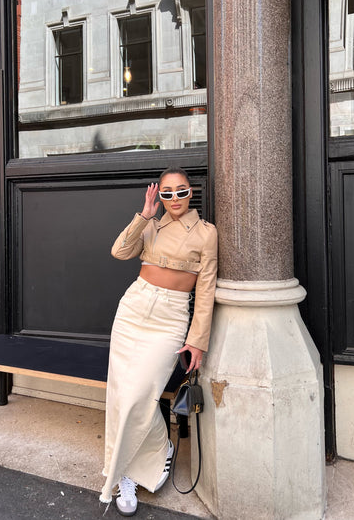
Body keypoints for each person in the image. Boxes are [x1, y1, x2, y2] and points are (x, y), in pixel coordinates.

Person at [100, 167, 218, 516]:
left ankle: (149, 456)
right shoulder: (151, 223)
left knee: (140, 394)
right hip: (134, 309)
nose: (174, 199)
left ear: (190, 192)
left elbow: (207, 287)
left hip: (169, 318)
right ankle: (125, 474)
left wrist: (197, 340)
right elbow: (120, 252)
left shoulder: (206, 233)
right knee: (121, 393)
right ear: (160, 196)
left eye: (181, 191)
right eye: (167, 193)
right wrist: (143, 216)